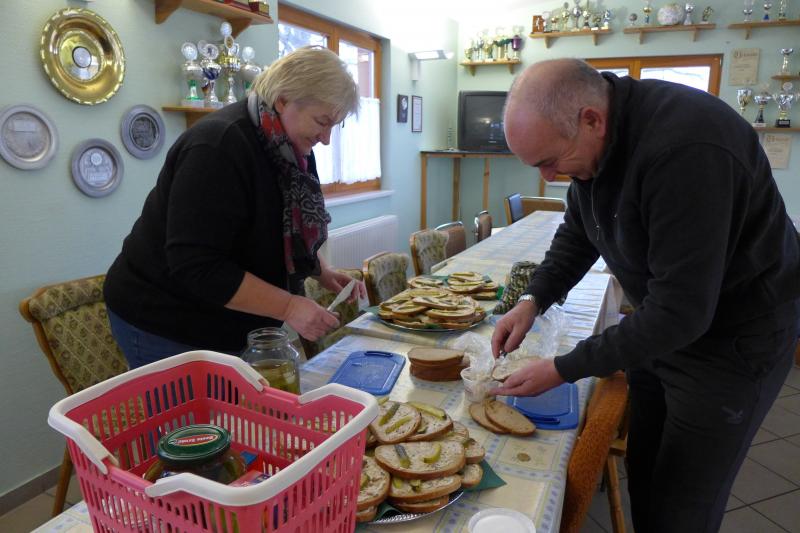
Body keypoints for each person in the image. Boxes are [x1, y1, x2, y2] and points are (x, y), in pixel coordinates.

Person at [490, 58, 800, 532]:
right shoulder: (592, 146)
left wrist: (563, 368)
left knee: (682, 504)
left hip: (735, 340)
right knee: (647, 475)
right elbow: (579, 231)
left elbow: (682, 311)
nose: (549, 176)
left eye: (550, 161)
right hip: (663, 327)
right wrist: (532, 300)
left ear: (591, 120)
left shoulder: (688, 148)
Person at [104, 47, 365, 369]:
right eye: (322, 122)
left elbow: (285, 226)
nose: (325, 138)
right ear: (283, 100)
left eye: (334, 126)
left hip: (227, 315)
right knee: (196, 404)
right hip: (165, 316)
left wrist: (319, 270)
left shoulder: (289, 145)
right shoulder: (218, 145)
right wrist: (288, 307)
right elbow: (197, 265)